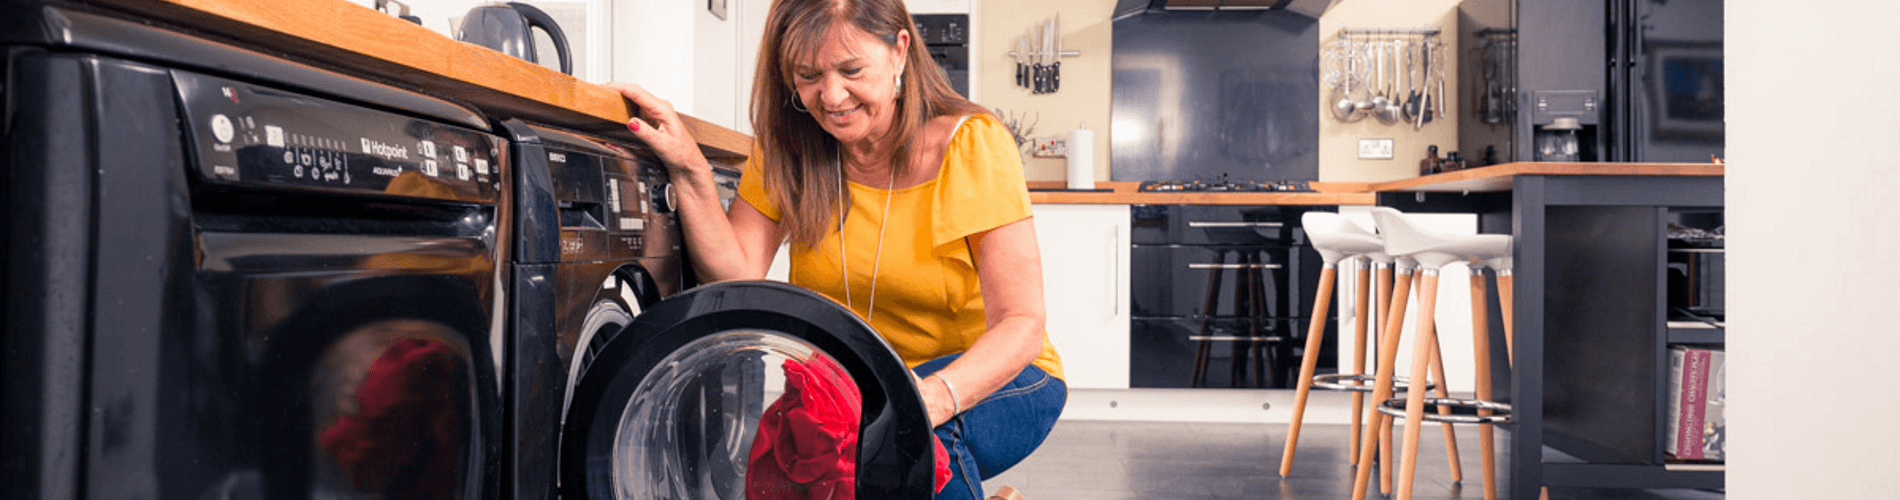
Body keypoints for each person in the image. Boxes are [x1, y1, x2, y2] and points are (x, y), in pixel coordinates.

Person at [605, 0, 1064, 498]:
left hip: (1000, 377)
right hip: (858, 388)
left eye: (851, 70)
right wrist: (690, 170)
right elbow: (734, 274)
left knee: (916, 441)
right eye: (807, 75)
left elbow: (1021, 323)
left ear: (899, 52)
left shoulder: (972, 145)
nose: (832, 96)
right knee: (787, 467)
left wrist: (922, 399)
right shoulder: (791, 153)